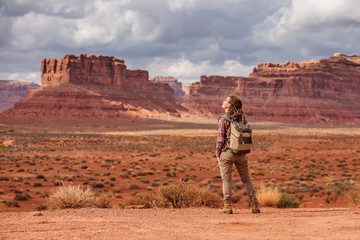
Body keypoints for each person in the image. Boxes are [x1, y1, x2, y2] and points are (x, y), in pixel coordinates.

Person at [216, 94, 260, 214]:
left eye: (226, 100)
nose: (223, 101)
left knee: (226, 180)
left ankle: (227, 205)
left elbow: (220, 139)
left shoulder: (223, 119)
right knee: (246, 180)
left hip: (227, 152)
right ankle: (255, 204)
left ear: (229, 105)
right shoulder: (241, 118)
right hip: (241, 153)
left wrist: (218, 154)